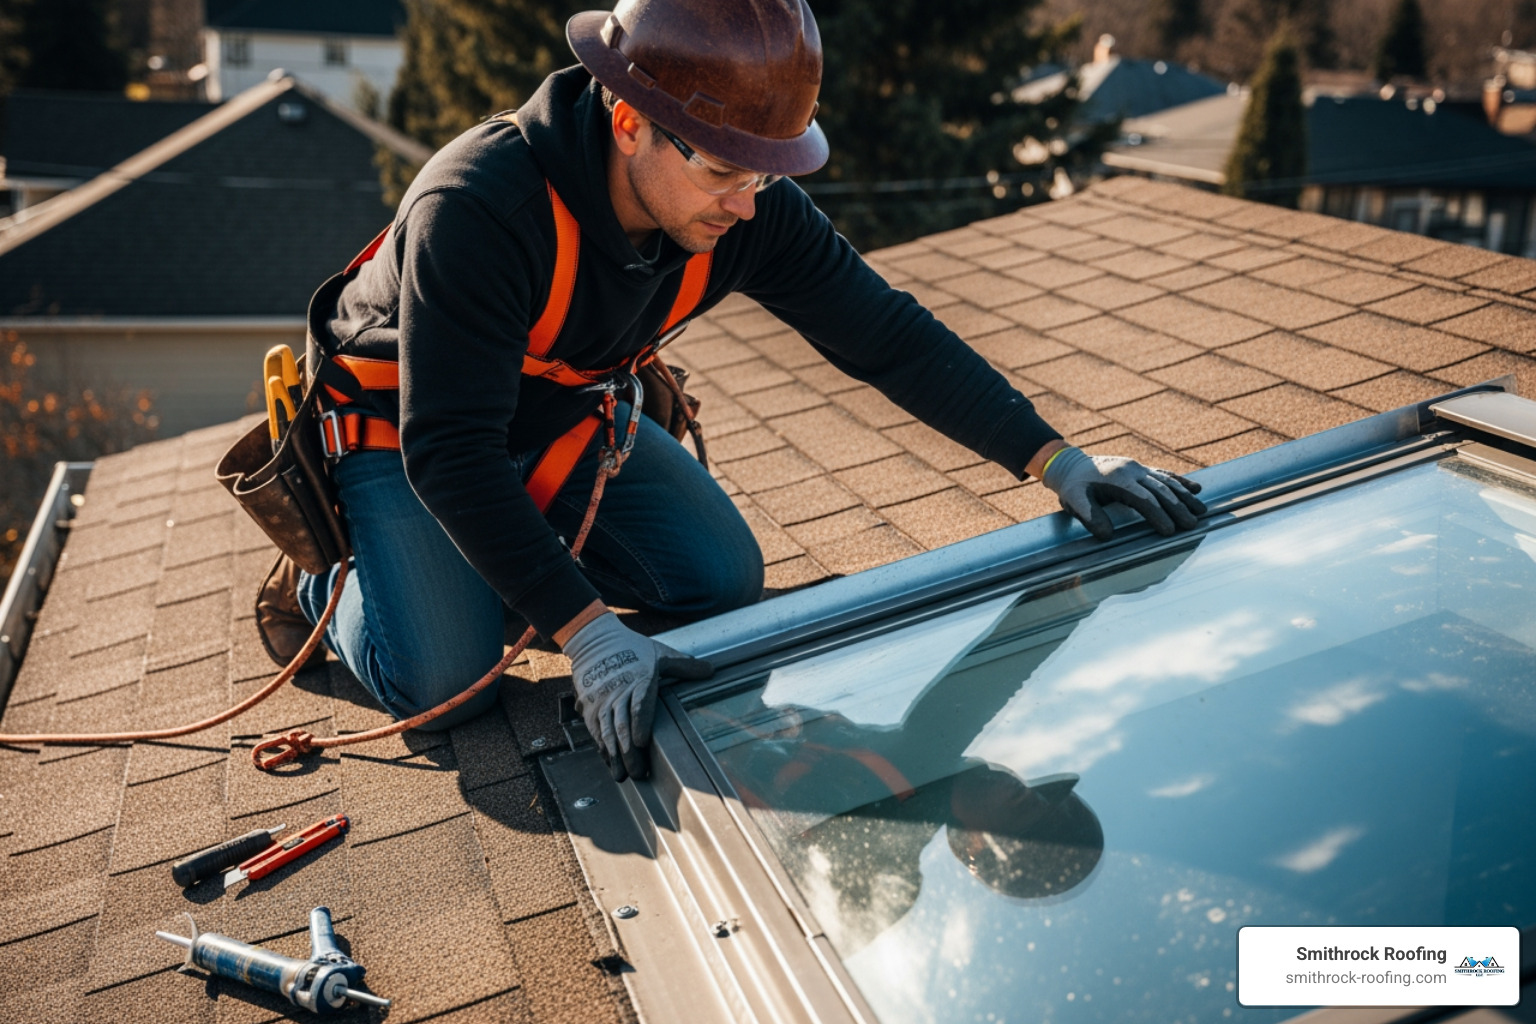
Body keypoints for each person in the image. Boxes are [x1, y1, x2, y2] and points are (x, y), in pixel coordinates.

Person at [254, 0, 1205, 782]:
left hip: (560, 417)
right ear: (630, 121)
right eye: (724, 169)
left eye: (767, 170)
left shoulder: (746, 203)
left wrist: (1060, 461)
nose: (748, 202)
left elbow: (887, 334)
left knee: (718, 582)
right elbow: (448, 451)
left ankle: (489, 572)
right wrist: (587, 635)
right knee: (443, 686)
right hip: (401, 430)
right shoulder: (480, 207)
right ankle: (329, 582)